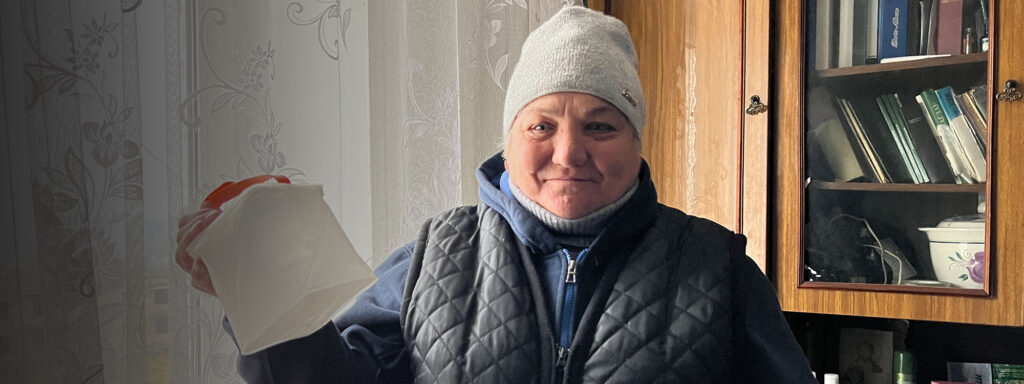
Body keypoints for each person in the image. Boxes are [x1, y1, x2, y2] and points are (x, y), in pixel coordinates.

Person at [175, 6, 816, 383]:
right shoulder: (432, 255)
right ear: (509, 140)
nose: (568, 153)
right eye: (542, 125)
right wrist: (257, 287)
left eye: (600, 125)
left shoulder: (717, 267)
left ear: (636, 139)